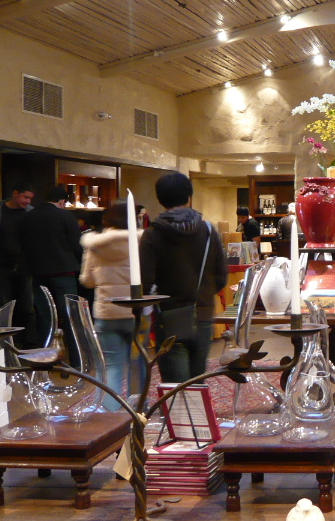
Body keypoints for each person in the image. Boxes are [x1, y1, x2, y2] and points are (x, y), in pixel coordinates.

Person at [141, 172, 227, 383]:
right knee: (197, 383)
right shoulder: (208, 230)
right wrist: (202, 294)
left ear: (160, 199)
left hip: (170, 317)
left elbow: (145, 282)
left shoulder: (152, 234)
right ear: (189, 196)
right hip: (203, 313)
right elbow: (221, 277)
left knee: (175, 387)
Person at [79, 201, 144, 410]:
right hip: (137, 312)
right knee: (138, 363)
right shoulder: (141, 241)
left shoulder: (95, 245)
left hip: (106, 312)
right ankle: (139, 408)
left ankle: (109, 413)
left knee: (111, 366)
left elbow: (87, 280)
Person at [20, 185, 82, 357]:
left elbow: (23, 244)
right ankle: (76, 357)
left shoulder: (29, 216)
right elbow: (77, 245)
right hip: (64, 272)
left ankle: (46, 356)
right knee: (69, 315)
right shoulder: (65, 216)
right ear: (62, 202)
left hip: (38, 273)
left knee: (45, 316)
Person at [0, 184, 37, 347]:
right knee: (5, 305)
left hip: (24, 265)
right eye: (25, 197)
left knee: (27, 306)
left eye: (30, 198)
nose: (28, 201)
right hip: (2, 266)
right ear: (15, 193)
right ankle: (7, 344)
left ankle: (28, 343)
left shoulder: (30, 213)